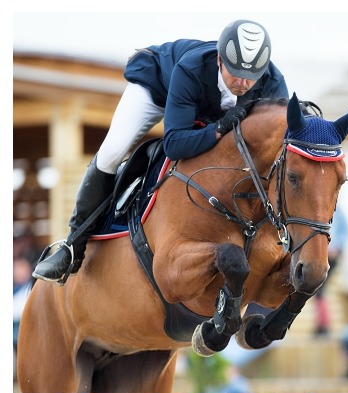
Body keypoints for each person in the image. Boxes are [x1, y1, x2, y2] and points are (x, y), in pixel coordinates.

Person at [32, 20, 288, 285]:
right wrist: (220, 128)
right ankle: (72, 246)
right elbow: (175, 143)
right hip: (157, 89)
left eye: (251, 76)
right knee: (112, 152)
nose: (243, 83)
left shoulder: (272, 82)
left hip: (203, 109)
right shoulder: (192, 69)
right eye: (235, 73)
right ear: (220, 60)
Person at [313, 206, 348, 336]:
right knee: (319, 292)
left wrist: (336, 247)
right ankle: (322, 325)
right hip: (319, 255)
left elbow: (347, 233)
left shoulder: (339, 212)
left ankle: (324, 325)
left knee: (320, 291)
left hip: (331, 256)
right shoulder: (318, 208)